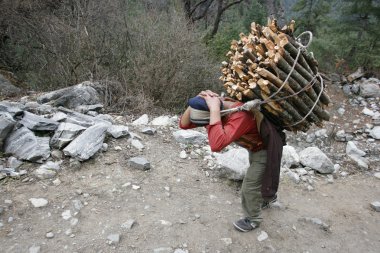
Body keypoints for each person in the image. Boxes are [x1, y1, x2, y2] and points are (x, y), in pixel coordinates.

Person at [179, 90, 285, 232]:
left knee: (250, 186)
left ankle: (253, 219)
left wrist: (214, 110)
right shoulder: (217, 109)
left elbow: (217, 145)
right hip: (253, 147)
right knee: (260, 177)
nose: (207, 125)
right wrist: (194, 101)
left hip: (265, 149)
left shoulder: (240, 115)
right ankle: (267, 198)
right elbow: (184, 124)